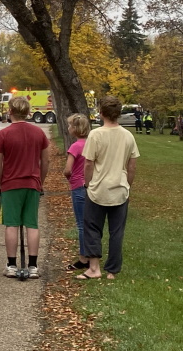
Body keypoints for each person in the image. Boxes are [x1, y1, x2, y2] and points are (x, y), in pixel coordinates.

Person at [76, 95, 140, 280]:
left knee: (92, 228)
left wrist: (87, 183)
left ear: (101, 113)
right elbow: (132, 165)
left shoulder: (96, 135)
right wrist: (128, 185)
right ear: (118, 113)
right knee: (116, 231)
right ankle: (112, 270)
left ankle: (94, 268)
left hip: (98, 188)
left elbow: (89, 163)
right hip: (120, 189)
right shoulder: (128, 136)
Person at [0, 95, 50, 279]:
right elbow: (45, 160)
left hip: (11, 184)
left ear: (10, 111)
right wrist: (40, 181)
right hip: (32, 183)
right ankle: (33, 266)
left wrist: (1, 182)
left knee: (12, 224)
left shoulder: (4, 134)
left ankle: (11, 264)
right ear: (28, 112)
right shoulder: (39, 133)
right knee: (32, 224)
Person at [63, 113, 92, 271]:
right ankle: (93, 254)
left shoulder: (75, 146)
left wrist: (69, 177)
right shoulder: (91, 145)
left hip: (78, 186)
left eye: (69, 125)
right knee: (91, 223)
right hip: (91, 185)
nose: (68, 128)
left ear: (75, 129)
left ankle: (83, 258)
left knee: (81, 224)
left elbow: (68, 169)